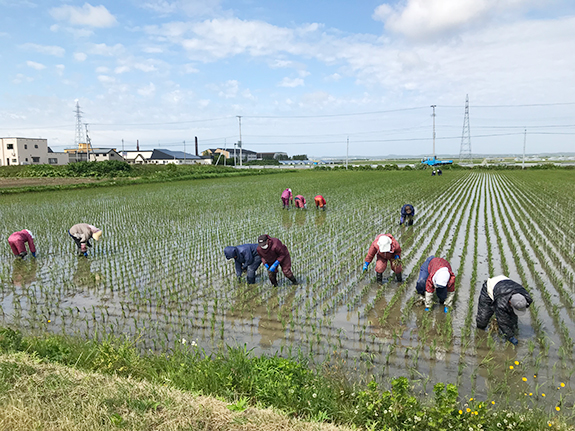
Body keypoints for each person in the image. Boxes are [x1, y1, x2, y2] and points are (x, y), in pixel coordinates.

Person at [476, 275, 533, 345]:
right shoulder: (502, 303)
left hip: (505, 283)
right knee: (482, 319)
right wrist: (510, 337)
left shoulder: (526, 297)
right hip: (490, 287)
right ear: (510, 302)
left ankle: (513, 329)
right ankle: (479, 335)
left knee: (512, 320)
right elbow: (503, 322)